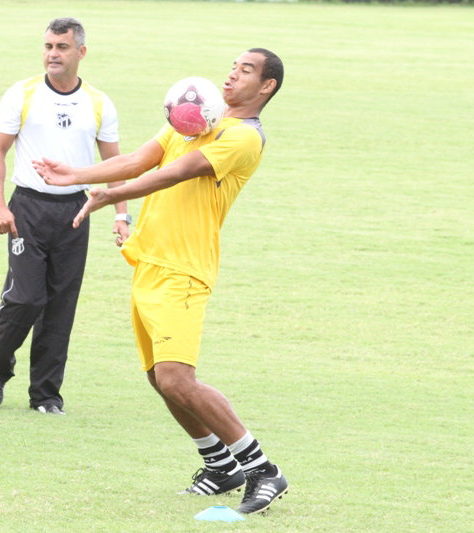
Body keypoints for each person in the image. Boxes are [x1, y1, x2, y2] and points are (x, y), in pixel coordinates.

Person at [33, 48, 287, 512]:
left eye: (246, 71)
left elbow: (174, 173)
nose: (232, 75)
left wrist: (110, 197)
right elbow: (139, 158)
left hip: (183, 271)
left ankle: (262, 469)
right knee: (158, 378)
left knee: (177, 379)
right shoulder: (194, 118)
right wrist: (77, 175)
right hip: (149, 264)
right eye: (232, 66)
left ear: (266, 86)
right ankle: (219, 464)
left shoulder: (245, 138)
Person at [0, 18, 131, 415]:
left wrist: (122, 215)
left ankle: (46, 396)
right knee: (26, 297)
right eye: (48, 46)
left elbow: (114, 164)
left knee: (61, 304)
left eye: (62, 47)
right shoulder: (23, 94)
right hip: (27, 208)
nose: (53, 54)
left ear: (80, 52)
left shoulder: (99, 103)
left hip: (74, 212)